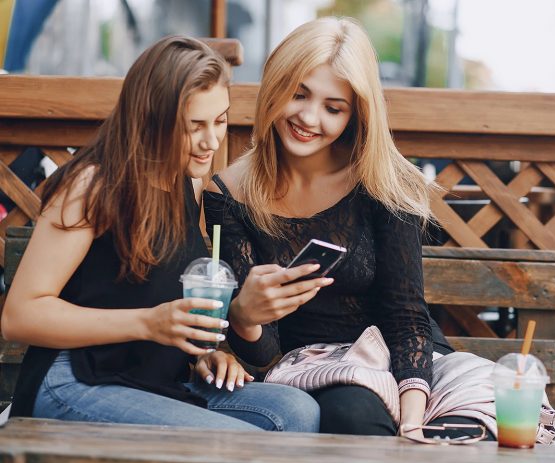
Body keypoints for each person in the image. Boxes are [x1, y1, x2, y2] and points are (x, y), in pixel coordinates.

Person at [1, 36, 319, 438]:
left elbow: (152, 294)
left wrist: (204, 355)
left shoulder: (187, 183)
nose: (212, 141)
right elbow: (19, 316)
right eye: (194, 126)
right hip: (74, 382)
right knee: (245, 448)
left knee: (296, 412)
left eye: (220, 120)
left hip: (152, 380)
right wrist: (148, 324)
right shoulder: (93, 186)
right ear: (151, 119)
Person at [204, 17, 493, 440]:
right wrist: (245, 316)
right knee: (350, 412)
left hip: (403, 363)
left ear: (355, 113)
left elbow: (407, 315)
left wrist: (413, 420)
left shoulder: (384, 181)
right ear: (275, 86)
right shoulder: (230, 194)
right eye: (298, 94)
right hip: (313, 370)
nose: (308, 116)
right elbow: (265, 355)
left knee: (464, 429)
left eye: (332, 108)